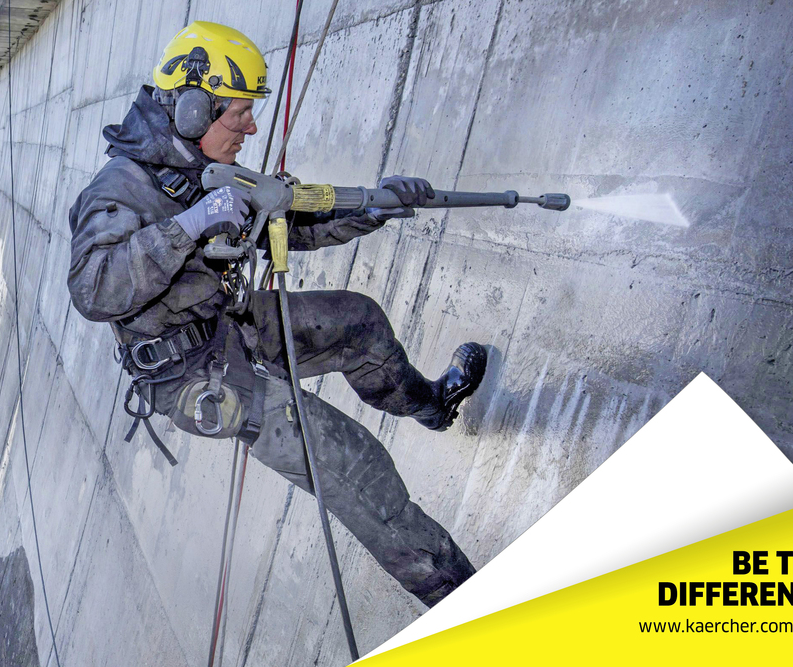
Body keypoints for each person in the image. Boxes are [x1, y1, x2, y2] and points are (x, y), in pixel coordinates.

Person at [66, 21, 487, 606]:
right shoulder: (121, 190)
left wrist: (376, 206)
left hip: (228, 325)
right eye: (237, 113)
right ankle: (470, 605)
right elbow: (94, 288)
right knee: (357, 472)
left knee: (359, 324)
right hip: (196, 376)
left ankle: (431, 406)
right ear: (191, 109)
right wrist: (187, 227)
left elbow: (285, 223)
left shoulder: (201, 168)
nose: (250, 126)